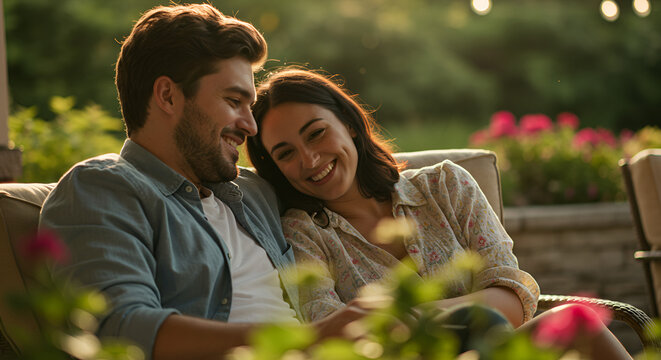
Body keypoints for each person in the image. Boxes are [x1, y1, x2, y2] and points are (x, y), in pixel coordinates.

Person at [39, 5, 366, 360]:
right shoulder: (102, 189)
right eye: (233, 101)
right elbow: (120, 329)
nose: (251, 126)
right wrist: (304, 339)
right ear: (167, 96)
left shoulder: (256, 194)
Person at [246, 68, 634, 359]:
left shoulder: (446, 185)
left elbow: (512, 299)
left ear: (348, 124)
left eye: (316, 133)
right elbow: (331, 334)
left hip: (498, 350)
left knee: (583, 324)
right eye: (286, 154)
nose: (310, 159)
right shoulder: (302, 233)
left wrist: (412, 314)